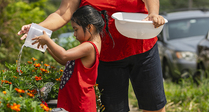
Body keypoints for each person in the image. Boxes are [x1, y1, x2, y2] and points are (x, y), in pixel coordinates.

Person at [18, 0, 167, 112]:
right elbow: (63, 13)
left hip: (143, 47)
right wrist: (38, 27)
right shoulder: (89, 48)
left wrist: (153, 13)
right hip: (107, 58)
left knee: (154, 106)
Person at [31, 5, 111, 112]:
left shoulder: (89, 46)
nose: (74, 34)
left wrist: (48, 41)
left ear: (89, 27)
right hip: (74, 99)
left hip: (81, 102)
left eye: (76, 29)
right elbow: (64, 60)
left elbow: (64, 54)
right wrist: (47, 46)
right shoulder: (88, 45)